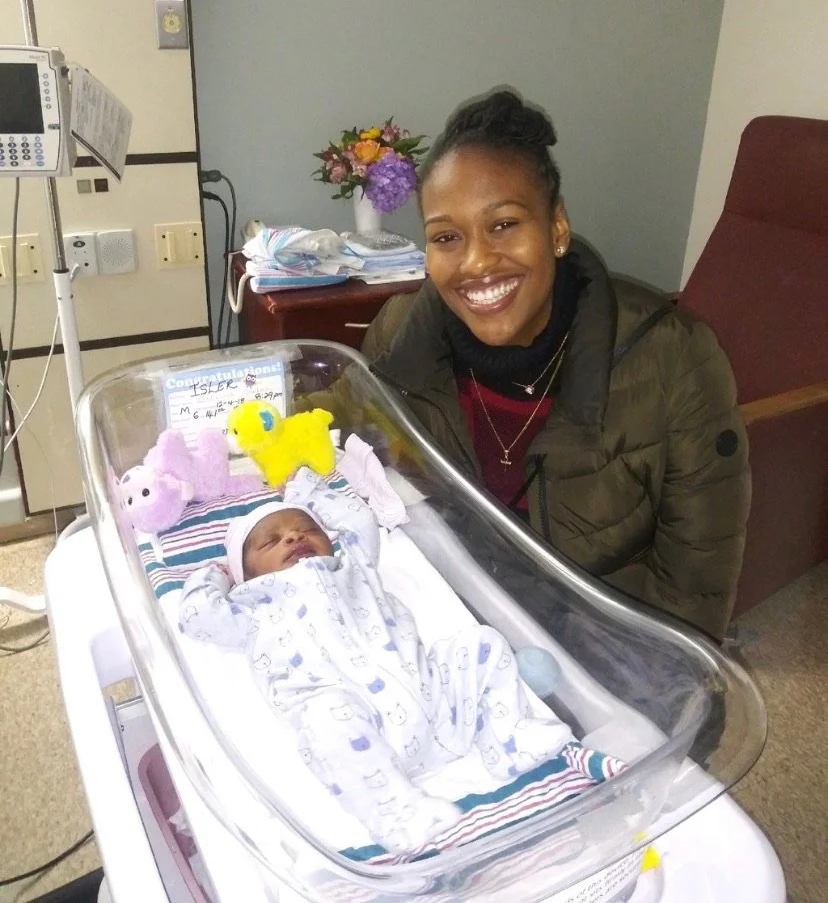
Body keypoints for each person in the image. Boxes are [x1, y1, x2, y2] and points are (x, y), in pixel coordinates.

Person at [360, 88, 749, 643]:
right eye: (447, 236)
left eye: (503, 225)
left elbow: (696, 589)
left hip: (603, 647)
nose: (475, 262)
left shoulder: (672, 360)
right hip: (451, 631)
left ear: (557, 228)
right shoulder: (397, 340)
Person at [177, 470, 619, 855]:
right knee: (324, 716)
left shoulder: (353, 564)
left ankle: (508, 740)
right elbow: (195, 617)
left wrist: (307, 488)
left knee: (479, 643)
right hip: (365, 743)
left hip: (437, 707)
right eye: (270, 542)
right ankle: (394, 811)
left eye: (304, 529)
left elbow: (358, 519)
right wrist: (215, 573)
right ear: (246, 575)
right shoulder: (250, 608)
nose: (293, 537)